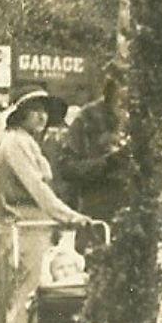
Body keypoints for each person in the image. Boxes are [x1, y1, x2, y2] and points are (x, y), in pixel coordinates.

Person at [0, 88, 95, 323]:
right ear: (19, 114)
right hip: (23, 229)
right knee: (26, 293)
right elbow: (38, 189)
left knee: (45, 292)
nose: (41, 115)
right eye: (34, 109)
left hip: (39, 228)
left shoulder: (29, 144)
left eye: (45, 110)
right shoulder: (15, 144)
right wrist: (71, 216)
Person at [57, 67, 130, 225]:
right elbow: (67, 168)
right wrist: (106, 163)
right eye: (119, 100)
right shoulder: (87, 118)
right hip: (97, 211)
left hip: (136, 215)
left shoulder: (145, 117)